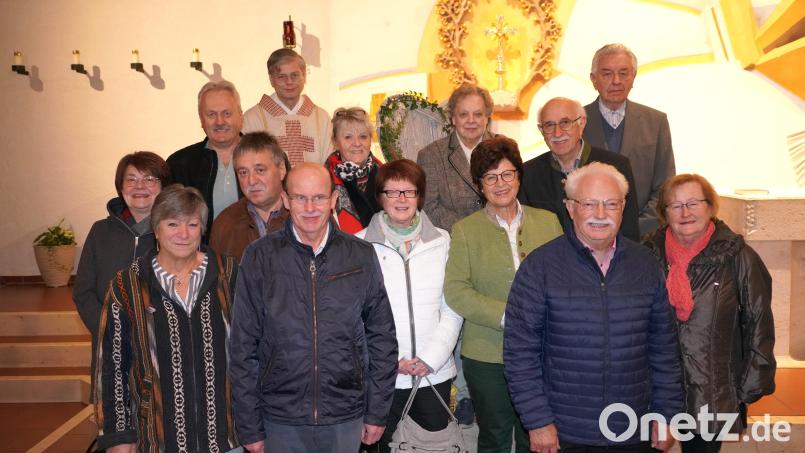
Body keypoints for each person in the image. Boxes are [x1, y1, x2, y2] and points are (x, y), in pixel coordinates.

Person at [504, 162, 683, 453]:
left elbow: (664, 349)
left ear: (623, 208)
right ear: (570, 207)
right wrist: (537, 421)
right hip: (565, 432)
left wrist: (666, 414)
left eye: (611, 204)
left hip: (633, 428)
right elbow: (520, 353)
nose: (600, 214)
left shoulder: (645, 264)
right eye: (589, 204)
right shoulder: (540, 267)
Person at [229, 162, 398, 453]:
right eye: (300, 198)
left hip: (345, 415)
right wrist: (249, 425)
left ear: (333, 200)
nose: (310, 208)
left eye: (319, 197)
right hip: (279, 418)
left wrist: (377, 411)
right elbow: (243, 347)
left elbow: (382, 337)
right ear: (286, 200)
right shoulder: (260, 257)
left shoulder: (360, 255)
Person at [93, 185, 239, 452]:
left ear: (202, 229)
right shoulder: (127, 285)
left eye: (192, 224)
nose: (183, 234)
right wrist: (118, 436)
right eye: (172, 224)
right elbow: (112, 366)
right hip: (157, 439)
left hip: (226, 438)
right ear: (156, 228)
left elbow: (254, 353)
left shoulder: (229, 275)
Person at [444, 136, 563, 453]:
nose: (500, 184)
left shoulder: (548, 222)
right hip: (486, 353)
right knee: (494, 436)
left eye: (507, 174)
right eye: (490, 177)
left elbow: (565, 281)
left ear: (519, 176)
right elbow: (456, 290)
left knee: (536, 435)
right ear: (480, 185)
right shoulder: (465, 230)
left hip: (542, 350)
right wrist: (507, 315)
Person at [643, 174, 776, 453]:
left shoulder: (737, 256)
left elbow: (759, 323)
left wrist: (747, 387)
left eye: (693, 203)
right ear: (664, 212)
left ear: (710, 206)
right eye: (675, 205)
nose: (685, 213)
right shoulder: (646, 254)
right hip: (653, 389)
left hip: (711, 391)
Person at [356, 159, 463, 453]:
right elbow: (354, 316)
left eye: (409, 191)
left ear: (420, 196)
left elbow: (452, 306)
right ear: (380, 197)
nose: (401, 199)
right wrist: (389, 361)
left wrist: (431, 357)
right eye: (392, 192)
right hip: (382, 376)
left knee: (434, 447)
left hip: (433, 373)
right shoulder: (359, 245)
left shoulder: (443, 241)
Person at [74, 151, 170, 341]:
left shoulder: (176, 232)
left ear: (163, 186)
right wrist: (106, 328)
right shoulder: (100, 231)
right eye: (131, 179)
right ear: (121, 186)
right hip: (109, 340)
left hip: (161, 341)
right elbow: (83, 292)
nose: (140, 186)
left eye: (149, 179)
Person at [583, 43, 675, 235]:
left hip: (644, 236)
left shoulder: (656, 122)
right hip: (589, 232)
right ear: (593, 79)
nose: (616, 81)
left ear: (633, 76)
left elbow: (665, 185)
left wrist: (638, 228)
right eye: (607, 74)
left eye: (623, 73)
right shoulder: (576, 122)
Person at [519, 97, 640, 241]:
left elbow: (629, 231)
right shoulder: (528, 174)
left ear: (581, 123)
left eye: (565, 123)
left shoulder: (616, 165)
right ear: (541, 130)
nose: (557, 133)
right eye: (549, 125)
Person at [168, 80, 244, 236]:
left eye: (227, 113)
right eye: (211, 114)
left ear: (240, 115)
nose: (219, 122)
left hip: (257, 249)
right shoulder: (179, 164)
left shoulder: (267, 158)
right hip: (199, 250)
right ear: (201, 119)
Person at [417, 83, 493, 232]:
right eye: (463, 114)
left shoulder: (505, 149)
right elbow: (428, 207)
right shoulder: (431, 155)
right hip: (453, 238)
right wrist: (470, 230)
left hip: (500, 235)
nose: (471, 120)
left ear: (487, 118)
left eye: (478, 114)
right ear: (453, 118)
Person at [242, 48, 332, 166]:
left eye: (294, 75)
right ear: (271, 80)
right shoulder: (253, 118)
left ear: (304, 76)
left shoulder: (321, 117)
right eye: (282, 76)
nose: (289, 82)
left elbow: (330, 163)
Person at [209, 132, 290, 261]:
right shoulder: (225, 224)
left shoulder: (306, 216)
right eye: (243, 172)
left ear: (281, 169)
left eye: (260, 170)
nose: (251, 181)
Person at [324, 107, 382, 234]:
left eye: (363, 136)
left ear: (370, 140)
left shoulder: (387, 175)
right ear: (335, 142)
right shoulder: (323, 180)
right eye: (348, 137)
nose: (357, 143)